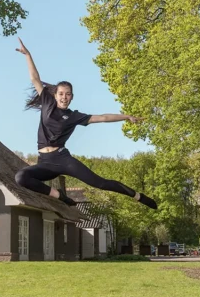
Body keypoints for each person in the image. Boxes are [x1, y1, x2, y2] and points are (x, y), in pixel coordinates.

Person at [13, 38, 158, 210]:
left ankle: (138, 196)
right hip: (44, 162)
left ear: (72, 97)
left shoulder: (74, 116)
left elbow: (103, 117)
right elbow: (35, 78)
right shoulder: (46, 101)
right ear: (55, 95)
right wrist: (28, 55)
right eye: (61, 94)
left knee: (100, 183)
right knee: (21, 177)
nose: (64, 97)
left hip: (63, 159)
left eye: (68, 94)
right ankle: (60, 196)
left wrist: (126, 116)